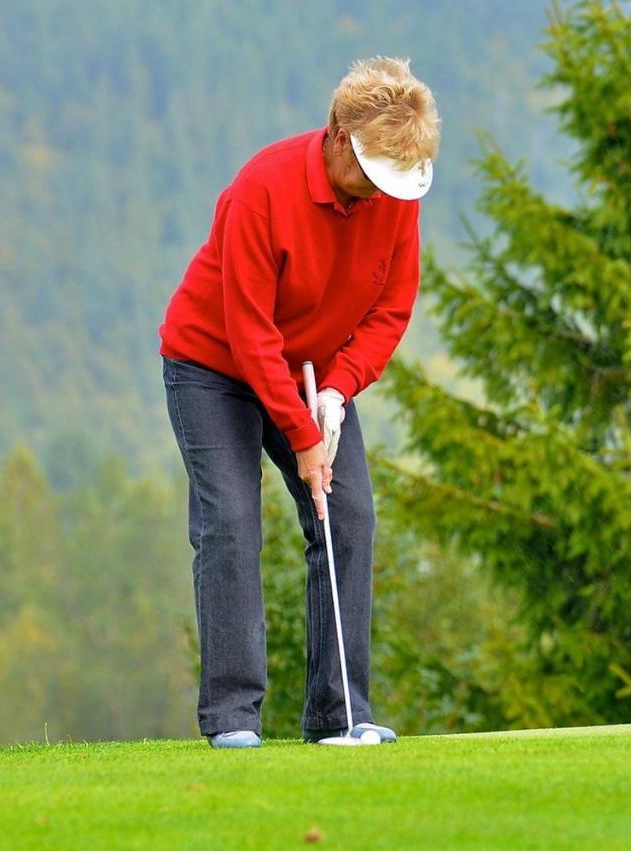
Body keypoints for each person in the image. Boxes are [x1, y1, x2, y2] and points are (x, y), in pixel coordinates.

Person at [158, 57, 439, 749]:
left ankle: (339, 713)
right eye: (372, 176)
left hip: (314, 371)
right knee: (230, 520)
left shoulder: (396, 193)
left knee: (348, 516)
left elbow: (392, 306)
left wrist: (341, 389)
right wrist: (301, 434)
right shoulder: (264, 187)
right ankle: (232, 716)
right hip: (212, 363)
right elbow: (250, 332)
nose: (382, 196)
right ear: (341, 138)